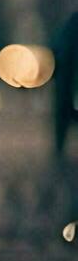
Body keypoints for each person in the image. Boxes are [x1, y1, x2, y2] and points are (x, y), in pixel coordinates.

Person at [54, 11, 78, 157]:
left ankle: (59, 148)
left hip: (68, 75)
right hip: (69, 75)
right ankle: (59, 148)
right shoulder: (74, 22)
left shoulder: (73, 22)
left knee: (63, 110)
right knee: (64, 109)